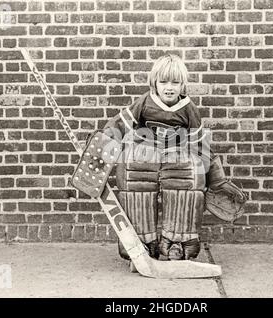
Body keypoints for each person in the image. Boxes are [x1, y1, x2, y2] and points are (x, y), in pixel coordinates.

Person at [102, 54, 246, 261]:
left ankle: (177, 241)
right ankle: (141, 240)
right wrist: (102, 145)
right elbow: (119, 125)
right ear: (154, 83)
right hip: (145, 155)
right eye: (163, 82)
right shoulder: (144, 102)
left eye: (175, 82)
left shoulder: (188, 109)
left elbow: (201, 146)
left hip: (176, 156)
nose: (169, 87)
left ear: (183, 85)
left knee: (187, 176)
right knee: (134, 175)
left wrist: (216, 178)